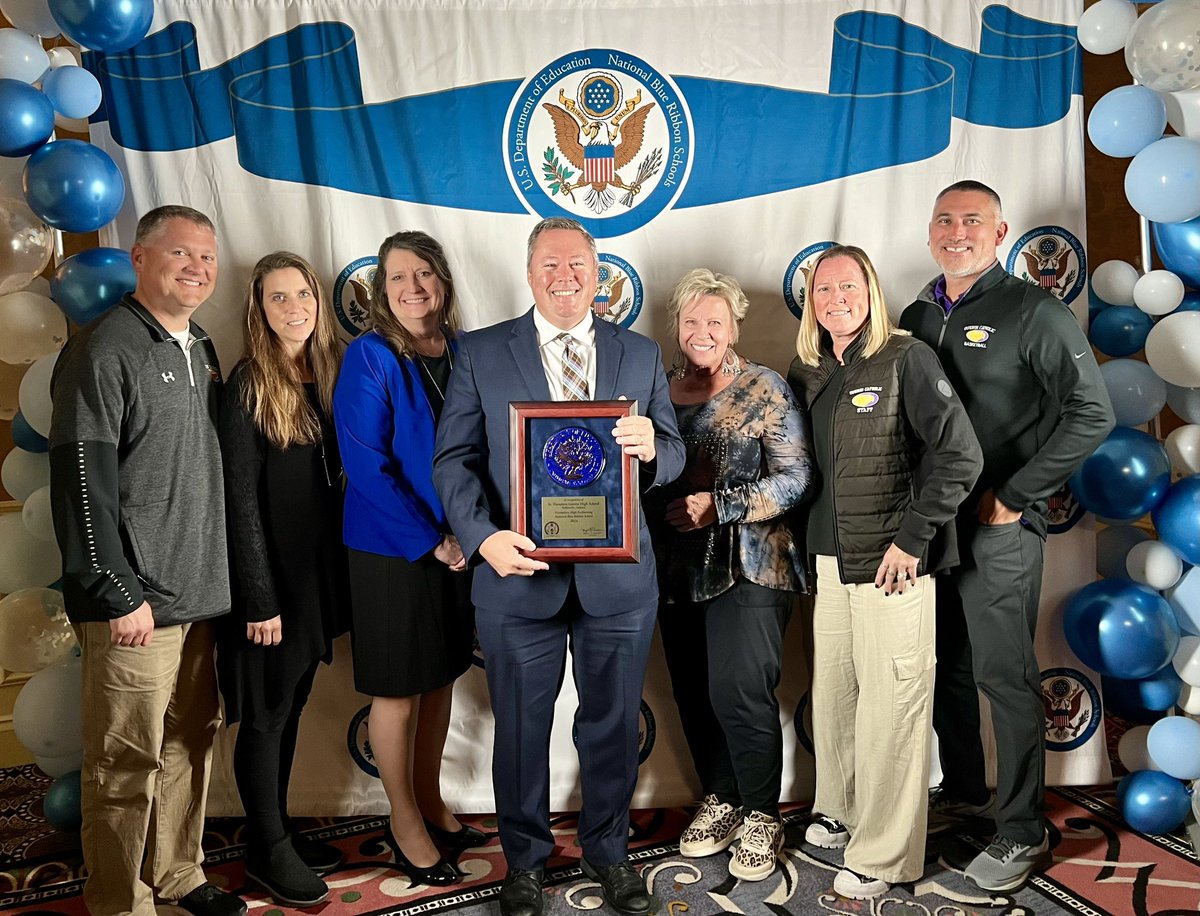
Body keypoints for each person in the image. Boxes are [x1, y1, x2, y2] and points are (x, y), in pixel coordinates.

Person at [432, 217, 685, 916]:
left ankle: (609, 853)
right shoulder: (480, 353)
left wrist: (656, 449)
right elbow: (452, 461)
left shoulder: (641, 353)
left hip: (619, 582)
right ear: (530, 270)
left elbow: (676, 450)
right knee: (519, 726)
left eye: (578, 263)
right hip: (518, 578)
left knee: (610, 724)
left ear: (598, 273)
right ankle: (525, 861)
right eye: (550, 264)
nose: (565, 276)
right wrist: (482, 539)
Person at [899, 181, 1114, 892]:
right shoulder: (916, 313)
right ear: (930, 229)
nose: (956, 231)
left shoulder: (1033, 309)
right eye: (945, 219)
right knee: (948, 672)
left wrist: (1015, 494)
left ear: (1000, 233)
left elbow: (1092, 412)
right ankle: (964, 790)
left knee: (1005, 677)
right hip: (934, 528)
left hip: (998, 530)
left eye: (973, 221)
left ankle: (1022, 831)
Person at [48, 206, 246, 916]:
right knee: (124, 764)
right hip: (134, 605)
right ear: (139, 258)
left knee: (191, 742)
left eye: (206, 256)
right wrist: (116, 589)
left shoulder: (201, 348)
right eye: (179, 254)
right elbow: (80, 482)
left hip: (198, 595)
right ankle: (120, 902)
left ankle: (178, 874)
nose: (196, 267)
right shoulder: (104, 351)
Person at [788, 245, 982, 900]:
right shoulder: (814, 370)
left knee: (893, 708)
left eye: (848, 285)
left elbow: (959, 455)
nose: (835, 297)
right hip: (832, 563)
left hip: (893, 564)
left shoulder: (906, 357)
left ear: (870, 290)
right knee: (838, 697)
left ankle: (886, 855)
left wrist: (912, 539)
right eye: (822, 289)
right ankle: (840, 811)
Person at [650, 269, 811, 881]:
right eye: (691, 321)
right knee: (693, 691)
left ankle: (761, 815)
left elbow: (796, 479)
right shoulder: (660, 389)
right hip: (676, 566)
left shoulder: (764, 387)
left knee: (737, 691)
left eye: (715, 320)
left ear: (735, 325)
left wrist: (722, 505)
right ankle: (721, 796)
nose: (702, 332)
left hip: (751, 561)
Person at [333, 230, 480, 887]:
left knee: (441, 676)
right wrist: (435, 541)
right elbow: (365, 466)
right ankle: (403, 822)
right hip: (395, 548)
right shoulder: (370, 356)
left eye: (424, 274)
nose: (413, 287)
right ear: (381, 292)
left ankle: (430, 798)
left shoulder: (463, 350)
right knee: (397, 692)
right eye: (398, 277)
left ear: (444, 282)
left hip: (458, 545)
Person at [218, 252, 349, 906]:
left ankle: (279, 829)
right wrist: (258, 597)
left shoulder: (324, 375)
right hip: (269, 587)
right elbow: (238, 501)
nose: (295, 307)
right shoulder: (249, 383)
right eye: (278, 298)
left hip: (313, 579)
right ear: (259, 309)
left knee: (291, 704)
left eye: (303, 293)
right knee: (266, 714)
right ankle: (265, 852)